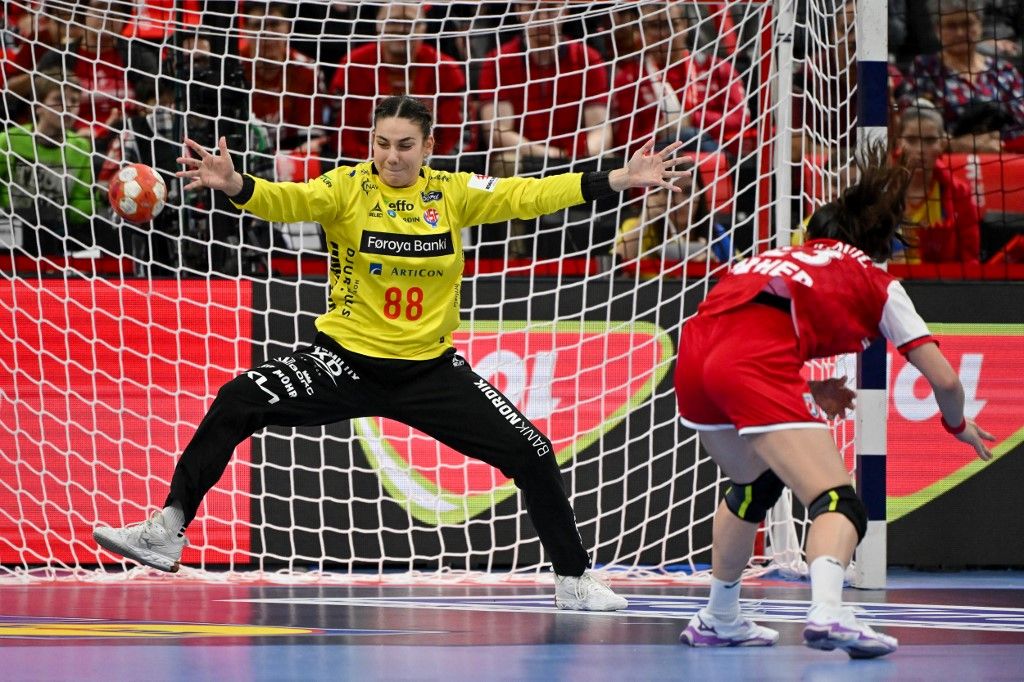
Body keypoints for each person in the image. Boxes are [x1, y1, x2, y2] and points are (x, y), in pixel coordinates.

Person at [93, 94, 689, 610]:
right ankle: (167, 529)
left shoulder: (453, 192)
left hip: (430, 373)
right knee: (237, 399)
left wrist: (614, 179)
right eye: (382, 144)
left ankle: (574, 580)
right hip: (343, 363)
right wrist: (238, 186)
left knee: (532, 451)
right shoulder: (347, 187)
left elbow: (528, 194)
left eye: (404, 145)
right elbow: (288, 201)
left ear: (427, 146)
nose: (391, 157)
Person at [673, 143, 993, 657]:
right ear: (879, 243)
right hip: (749, 364)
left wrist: (808, 388)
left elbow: (746, 330)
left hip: (694, 355)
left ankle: (719, 616)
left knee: (755, 484)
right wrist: (958, 426)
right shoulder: (875, 277)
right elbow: (948, 382)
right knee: (838, 501)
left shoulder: (775, 255)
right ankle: (828, 613)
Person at [328, 2, 466, 163]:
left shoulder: (446, 69)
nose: (401, 30)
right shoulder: (353, 66)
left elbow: (458, 137)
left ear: (424, 29)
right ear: (378, 26)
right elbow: (341, 136)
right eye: (392, 22)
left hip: (433, 169)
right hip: (362, 166)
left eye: (409, 23)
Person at [609, 2, 749, 159]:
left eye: (672, 24)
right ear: (641, 31)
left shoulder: (717, 68)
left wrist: (691, 119)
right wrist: (662, 129)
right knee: (687, 137)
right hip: (655, 161)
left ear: (685, 25)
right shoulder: (629, 78)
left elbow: (741, 119)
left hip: (714, 158)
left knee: (692, 135)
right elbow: (622, 141)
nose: (664, 33)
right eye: (655, 26)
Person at [906, 0, 1024, 154]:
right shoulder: (924, 69)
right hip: (949, 166)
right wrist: (956, 144)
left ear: (980, 25)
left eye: (967, 23)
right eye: (951, 26)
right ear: (937, 30)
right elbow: (912, 127)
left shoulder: (1004, 71)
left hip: (1007, 161)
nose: (960, 32)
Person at [0, 75, 97, 257]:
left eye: (74, 101)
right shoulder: (9, 140)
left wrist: (92, 202)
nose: (67, 106)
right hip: (9, 234)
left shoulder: (81, 148)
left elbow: (81, 201)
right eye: (58, 99)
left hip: (57, 237)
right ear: (38, 107)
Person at [892, 99, 981, 264]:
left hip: (942, 286)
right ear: (899, 143)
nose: (920, 150)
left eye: (929, 141)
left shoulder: (959, 193)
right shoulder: (880, 189)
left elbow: (970, 259)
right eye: (911, 140)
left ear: (942, 144)